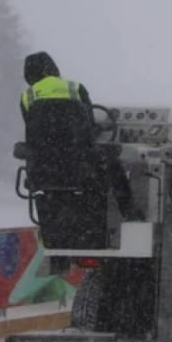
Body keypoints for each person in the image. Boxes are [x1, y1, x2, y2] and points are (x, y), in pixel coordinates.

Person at [20, 52, 136, 227]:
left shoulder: (27, 96)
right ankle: (130, 213)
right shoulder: (75, 88)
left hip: (45, 171)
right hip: (80, 167)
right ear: (53, 68)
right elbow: (89, 125)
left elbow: (35, 131)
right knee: (114, 164)